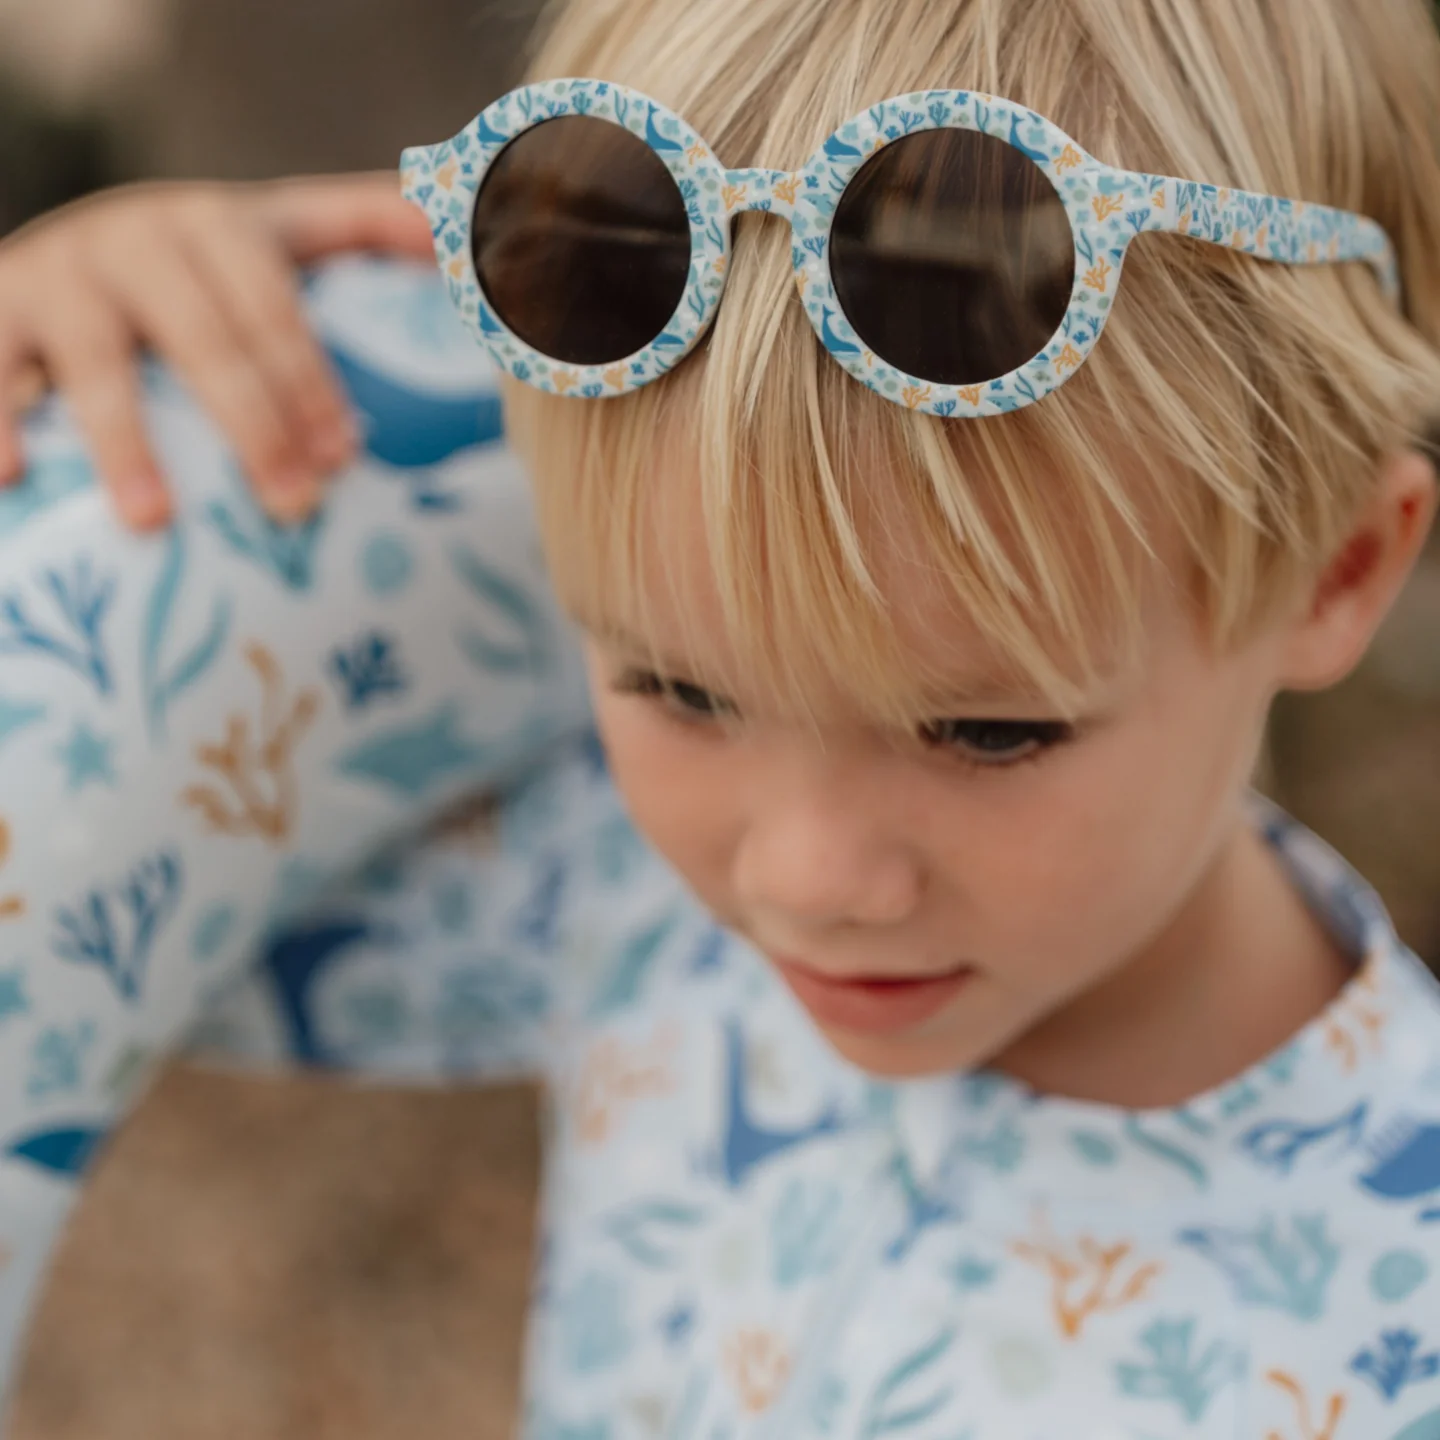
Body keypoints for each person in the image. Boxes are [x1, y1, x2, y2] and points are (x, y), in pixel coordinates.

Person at [3, 0, 1440, 1433]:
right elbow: (83, 904)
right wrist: (80, 316)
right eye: (679, 690)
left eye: (988, 734)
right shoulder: (624, 901)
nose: (804, 878)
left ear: (1341, 568)